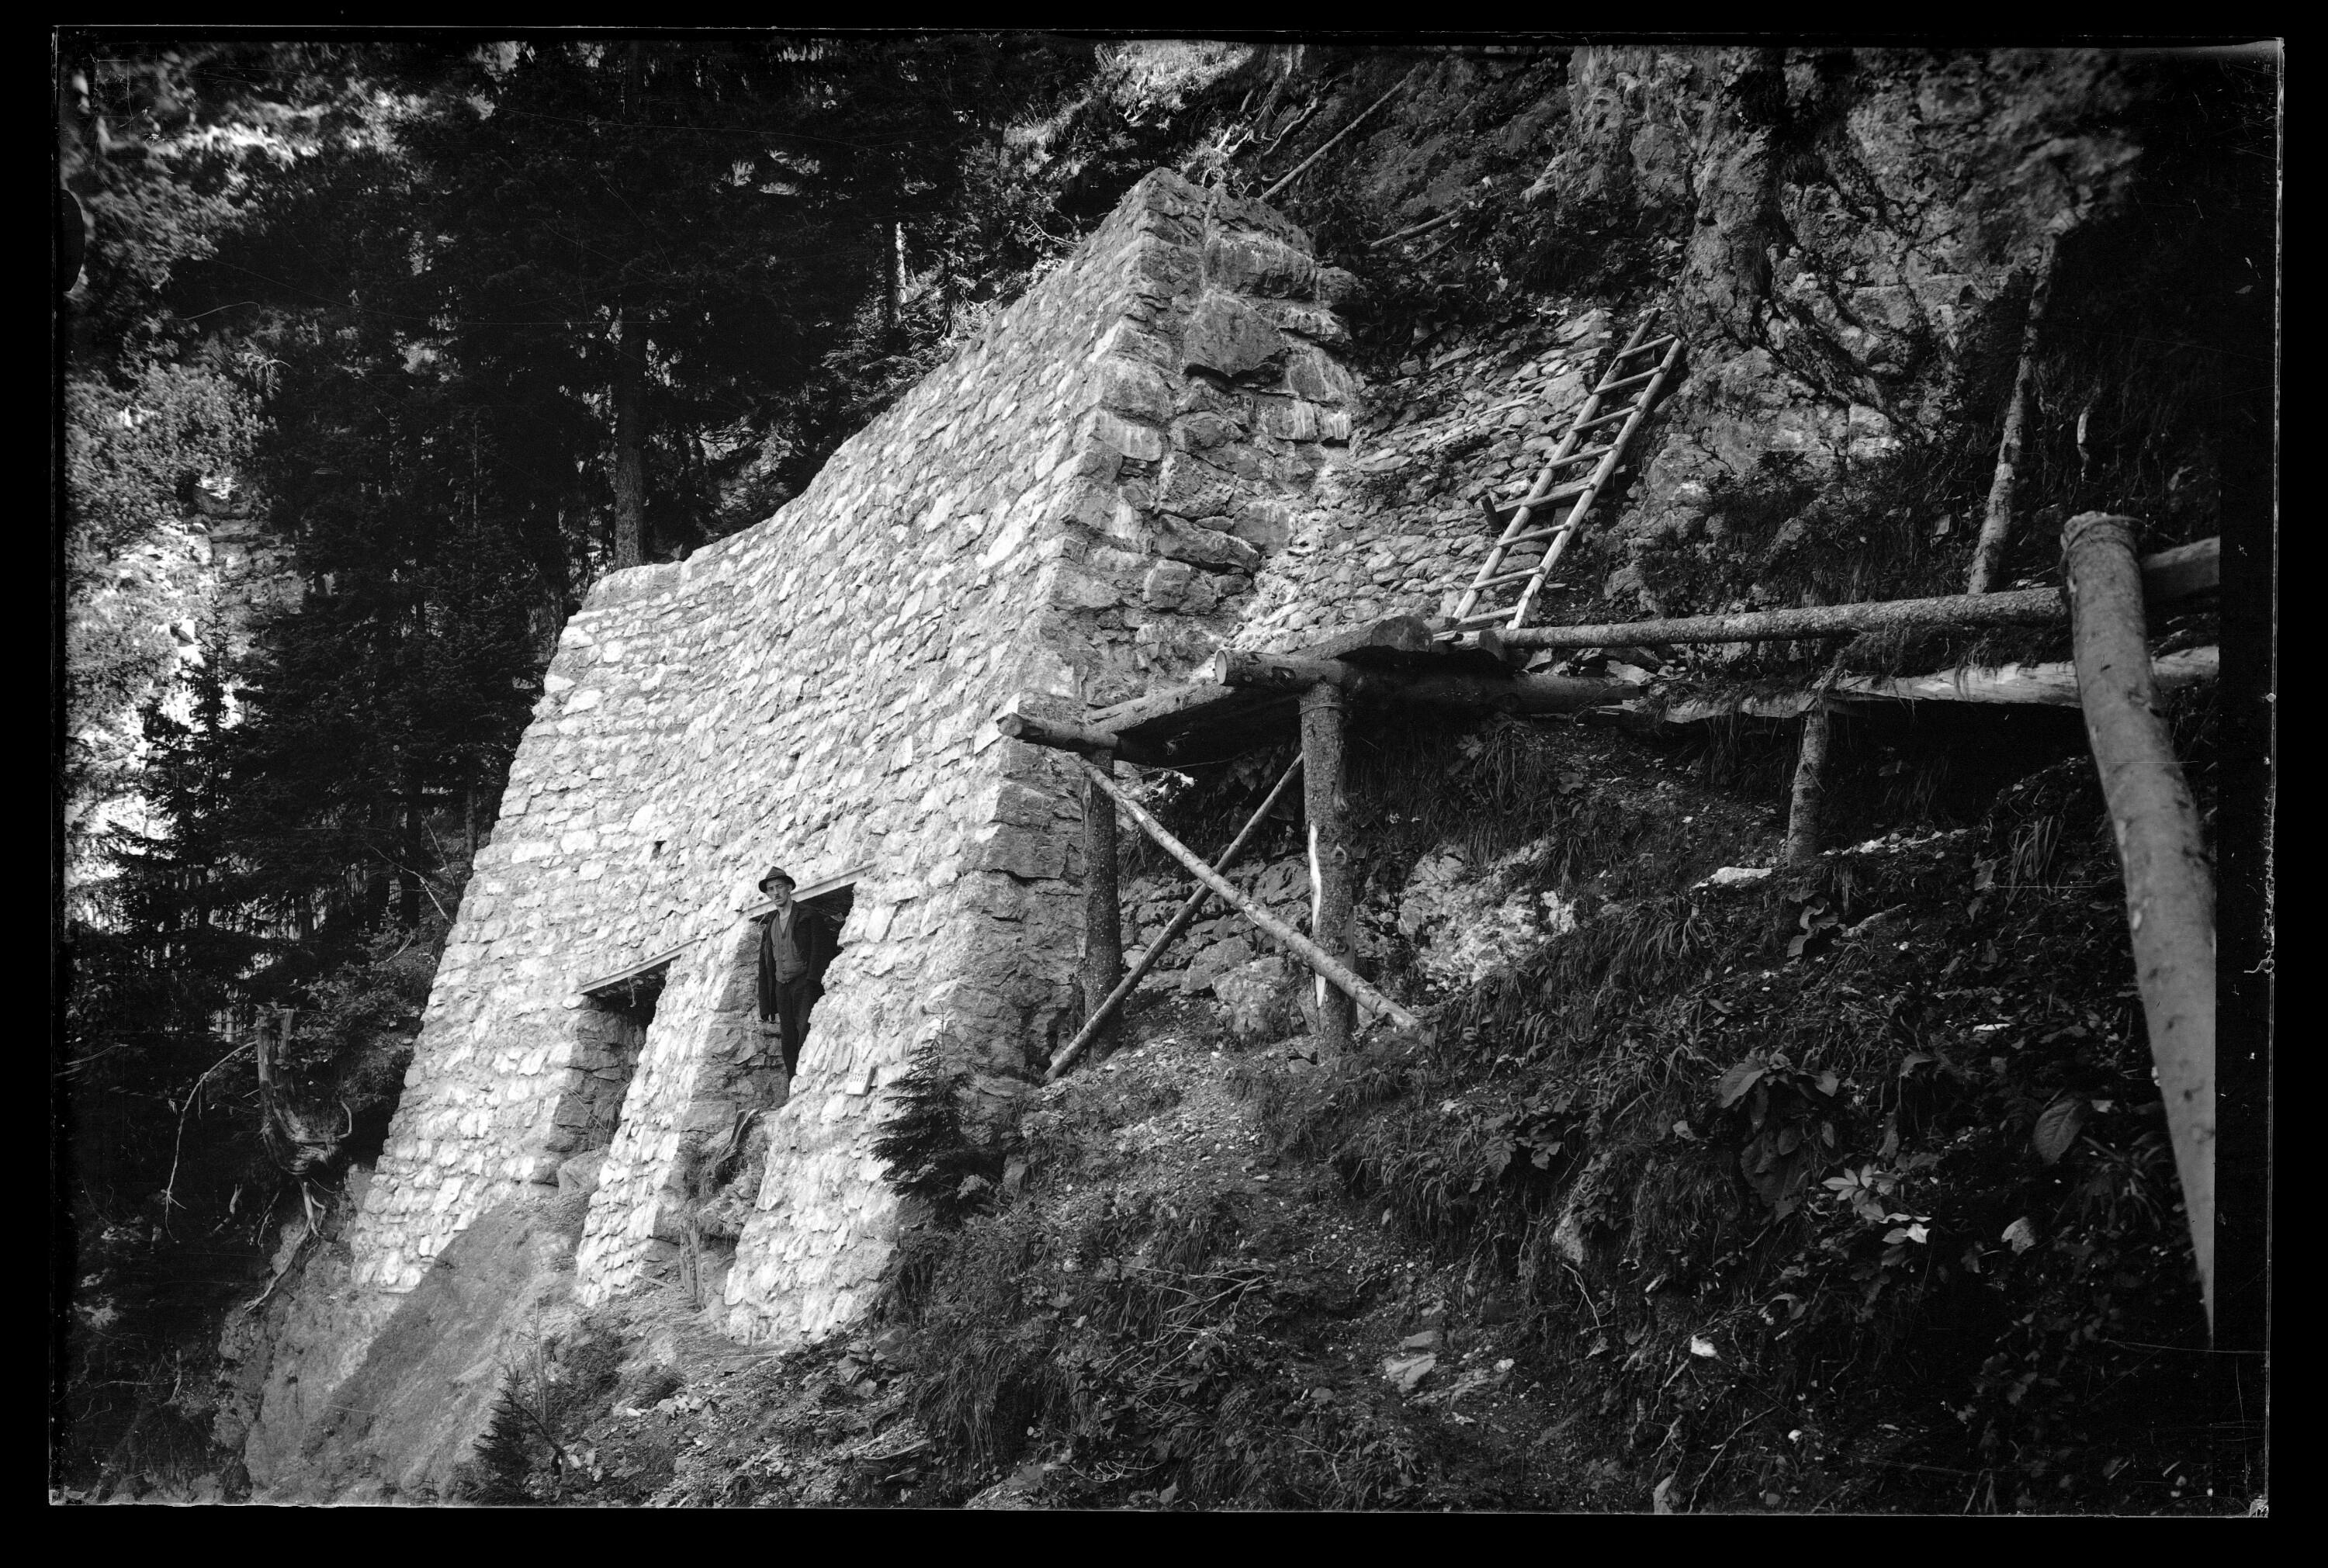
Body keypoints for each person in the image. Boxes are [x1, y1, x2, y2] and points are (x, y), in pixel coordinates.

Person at [754, 866, 839, 1077]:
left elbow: (822, 948)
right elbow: (766, 965)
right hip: (782, 987)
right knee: (789, 1038)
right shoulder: (770, 925)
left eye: (780, 887)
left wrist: (813, 981)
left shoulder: (807, 915)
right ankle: (795, 1084)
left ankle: (809, 1080)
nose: (776, 893)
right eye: (771, 889)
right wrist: (767, 1001)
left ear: (790, 888)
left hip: (804, 983)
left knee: (806, 1030)